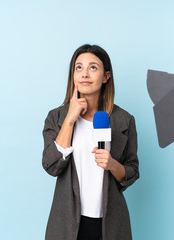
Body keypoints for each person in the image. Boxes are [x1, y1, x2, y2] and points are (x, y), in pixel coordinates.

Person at [42, 44, 139, 240]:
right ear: (73, 75)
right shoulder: (57, 117)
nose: (85, 74)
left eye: (93, 67)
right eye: (79, 67)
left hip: (110, 224)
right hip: (67, 224)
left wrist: (112, 164)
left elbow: (132, 172)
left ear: (106, 76)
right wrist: (70, 118)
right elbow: (51, 165)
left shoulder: (124, 120)